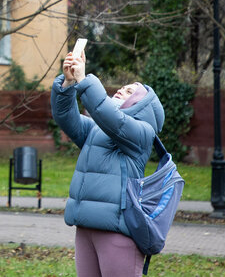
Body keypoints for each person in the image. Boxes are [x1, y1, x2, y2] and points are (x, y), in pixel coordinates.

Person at [51, 49, 165, 277]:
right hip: (86, 227)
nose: (122, 89)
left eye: (131, 90)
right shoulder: (96, 129)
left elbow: (111, 117)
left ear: (141, 105)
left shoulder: (142, 133)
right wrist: (67, 83)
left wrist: (84, 80)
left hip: (117, 232)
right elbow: (66, 117)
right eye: (124, 86)